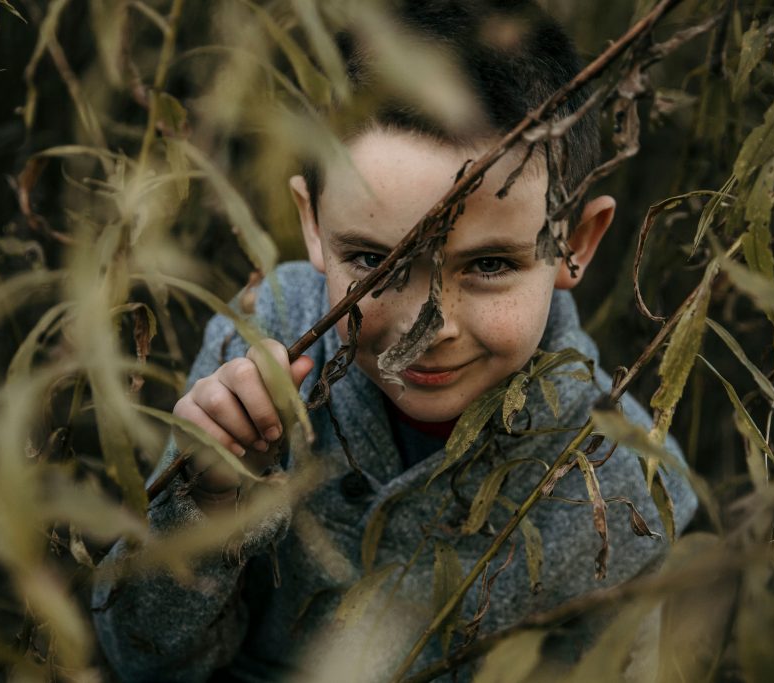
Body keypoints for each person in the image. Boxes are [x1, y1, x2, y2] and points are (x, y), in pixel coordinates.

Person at [92, 2, 697, 680]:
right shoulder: (259, 347)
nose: (425, 328)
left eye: (489, 265)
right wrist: (204, 505)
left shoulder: (624, 488)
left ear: (576, 245)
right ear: (313, 224)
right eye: (377, 265)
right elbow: (140, 659)